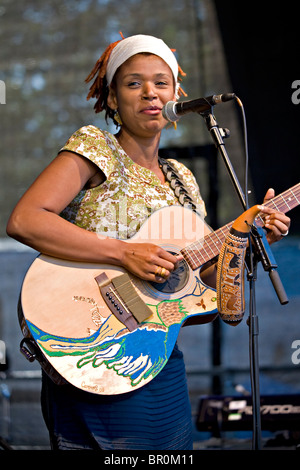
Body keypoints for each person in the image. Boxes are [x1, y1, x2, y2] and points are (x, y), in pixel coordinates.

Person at [7, 34, 290, 451]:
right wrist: (123, 252)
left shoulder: (182, 178)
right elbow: (25, 220)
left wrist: (249, 238)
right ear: (112, 98)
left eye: (161, 82)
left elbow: (203, 279)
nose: (150, 93)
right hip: (88, 342)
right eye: (133, 83)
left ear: (177, 95)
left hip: (156, 353)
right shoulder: (95, 147)